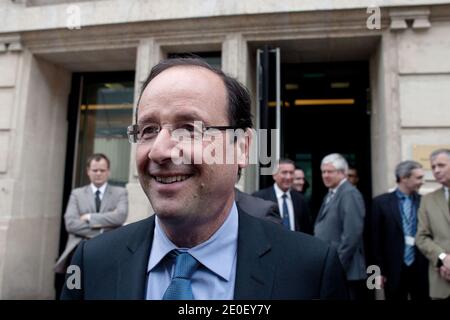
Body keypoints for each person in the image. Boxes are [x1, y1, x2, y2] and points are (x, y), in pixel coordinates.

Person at [61, 57, 347, 300]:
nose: (159, 151)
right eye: (148, 130)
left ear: (242, 147)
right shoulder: (92, 263)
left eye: (189, 127)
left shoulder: (311, 271)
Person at [55, 153, 128, 274]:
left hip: (109, 250)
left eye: (102, 170)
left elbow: (120, 217)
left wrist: (89, 217)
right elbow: (71, 224)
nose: (98, 173)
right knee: (75, 288)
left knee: (102, 288)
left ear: (108, 171)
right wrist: (106, 228)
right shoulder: (76, 194)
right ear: (88, 171)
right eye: (95, 170)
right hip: (78, 250)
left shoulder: (120, 193)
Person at [371, 160, 429, 300]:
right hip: (393, 270)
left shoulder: (425, 202)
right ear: (404, 178)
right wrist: (376, 273)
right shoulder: (380, 203)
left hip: (421, 270)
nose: (422, 181)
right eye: (418, 177)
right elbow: (373, 241)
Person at [314, 153, 366, 300]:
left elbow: (352, 236)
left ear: (343, 173)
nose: (325, 175)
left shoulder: (349, 194)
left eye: (329, 171)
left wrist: (336, 265)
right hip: (336, 269)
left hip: (346, 271)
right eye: (323, 172)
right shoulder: (332, 193)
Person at [416, 149, 450, 300]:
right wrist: (443, 258)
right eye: (433, 167)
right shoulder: (428, 200)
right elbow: (421, 237)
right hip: (441, 280)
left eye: (441, 165)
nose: (436, 170)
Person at [253, 159, 312, 234]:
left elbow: (307, 229)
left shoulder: (300, 199)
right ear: (274, 175)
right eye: (284, 173)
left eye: (291, 173)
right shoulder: (260, 197)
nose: (288, 177)